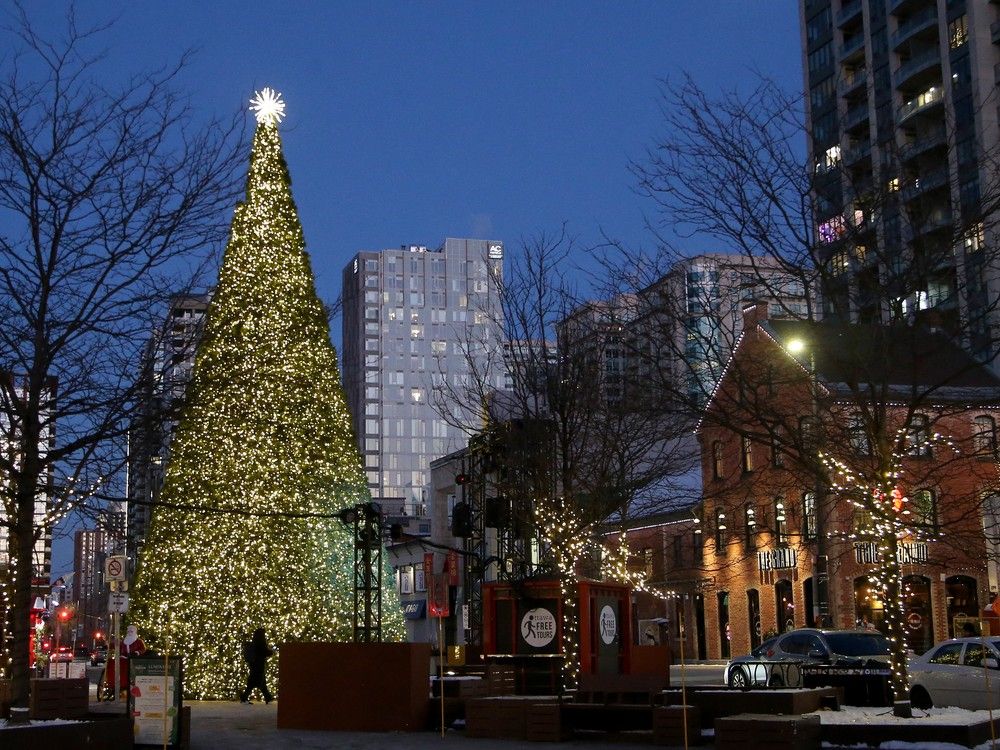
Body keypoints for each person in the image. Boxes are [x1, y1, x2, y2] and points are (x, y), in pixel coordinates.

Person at [240, 627, 274, 704]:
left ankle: (268, 697)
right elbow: (264, 652)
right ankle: (244, 698)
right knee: (255, 682)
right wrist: (271, 652)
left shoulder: (255, 641)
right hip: (258, 665)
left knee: (260, 682)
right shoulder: (260, 642)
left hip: (254, 665)